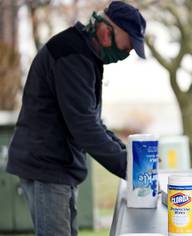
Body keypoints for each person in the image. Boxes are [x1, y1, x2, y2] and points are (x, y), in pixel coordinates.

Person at [6, 1, 146, 235]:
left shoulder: (86, 55)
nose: (127, 53)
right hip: (46, 166)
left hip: (59, 165)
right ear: (106, 31)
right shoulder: (71, 54)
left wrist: (129, 155)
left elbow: (92, 120)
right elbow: (84, 126)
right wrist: (131, 168)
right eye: (128, 45)